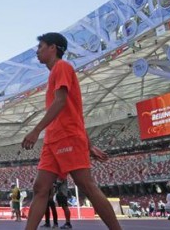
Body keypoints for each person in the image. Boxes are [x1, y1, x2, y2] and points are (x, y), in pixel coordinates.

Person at [22, 32, 121, 230]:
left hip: (67, 136)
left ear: (53, 48)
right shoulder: (54, 73)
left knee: (86, 186)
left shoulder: (63, 67)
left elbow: (61, 101)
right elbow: (73, 111)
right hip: (53, 139)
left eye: (41, 46)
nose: (37, 51)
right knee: (40, 188)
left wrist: (36, 130)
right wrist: (89, 144)